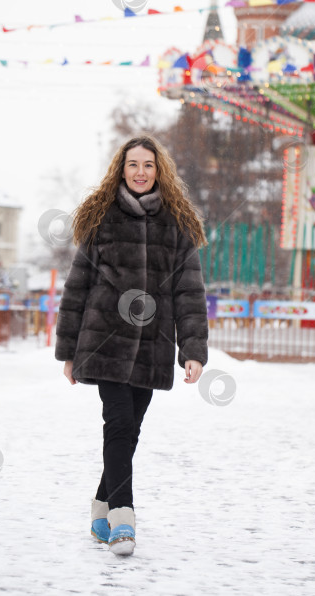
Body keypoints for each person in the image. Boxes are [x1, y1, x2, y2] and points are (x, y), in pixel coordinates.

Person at [54, 135, 209, 557]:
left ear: (159, 171)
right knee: (119, 426)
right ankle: (124, 519)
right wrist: (68, 350)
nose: (140, 172)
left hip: (152, 346)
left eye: (148, 165)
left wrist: (193, 350)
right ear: (120, 170)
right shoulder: (102, 219)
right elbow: (77, 288)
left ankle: (101, 510)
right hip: (102, 342)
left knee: (129, 431)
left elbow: (189, 294)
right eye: (132, 165)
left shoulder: (177, 224)